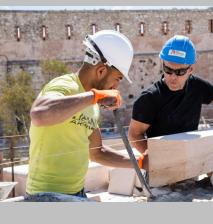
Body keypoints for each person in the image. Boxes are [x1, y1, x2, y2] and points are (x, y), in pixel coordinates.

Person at [25, 30, 140, 201]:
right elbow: (39, 114)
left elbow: (97, 152)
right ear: (101, 71)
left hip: (77, 193)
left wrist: (139, 163)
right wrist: (96, 96)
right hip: (44, 195)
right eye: (117, 78)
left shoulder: (90, 104)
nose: (116, 86)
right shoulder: (65, 86)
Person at [128, 35, 213, 170]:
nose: (173, 77)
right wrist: (155, 158)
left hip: (191, 158)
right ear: (163, 64)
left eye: (180, 72)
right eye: (168, 70)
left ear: (190, 69)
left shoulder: (196, 86)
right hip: (164, 166)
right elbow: (134, 134)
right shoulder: (149, 98)